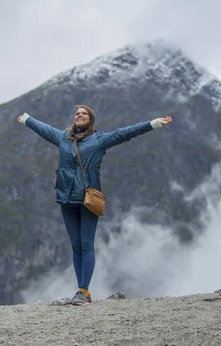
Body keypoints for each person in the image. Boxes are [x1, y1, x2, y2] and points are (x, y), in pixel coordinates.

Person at [18, 105, 172, 305]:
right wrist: (27, 119)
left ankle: (83, 291)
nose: (80, 115)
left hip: (88, 198)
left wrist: (154, 123)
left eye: (84, 114)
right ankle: (81, 291)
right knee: (76, 246)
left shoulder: (100, 139)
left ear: (90, 120)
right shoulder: (63, 138)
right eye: (77, 113)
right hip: (66, 197)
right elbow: (44, 129)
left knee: (86, 244)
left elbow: (126, 133)